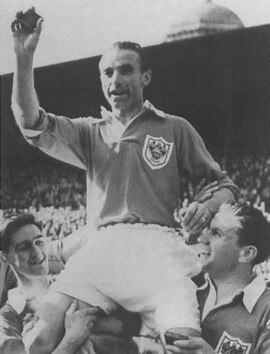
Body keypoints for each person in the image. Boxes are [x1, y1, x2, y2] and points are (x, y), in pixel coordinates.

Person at [11, 11, 238, 353]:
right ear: (101, 81)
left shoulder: (174, 128)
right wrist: (23, 57)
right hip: (101, 248)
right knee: (41, 338)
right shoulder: (89, 132)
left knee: (184, 342)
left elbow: (226, 187)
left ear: (145, 76)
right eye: (108, 72)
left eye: (126, 69)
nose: (115, 78)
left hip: (157, 248)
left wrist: (206, 207)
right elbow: (30, 122)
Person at [0, 214, 140, 354]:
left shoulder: (72, 284)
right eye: (24, 247)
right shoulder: (6, 320)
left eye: (39, 242)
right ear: (5, 257)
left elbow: (131, 323)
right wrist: (72, 340)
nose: (36, 252)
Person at [166, 203, 270, 354]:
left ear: (246, 254)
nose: (202, 238)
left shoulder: (266, 310)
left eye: (216, 233)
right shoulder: (185, 282)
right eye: (207, 229)